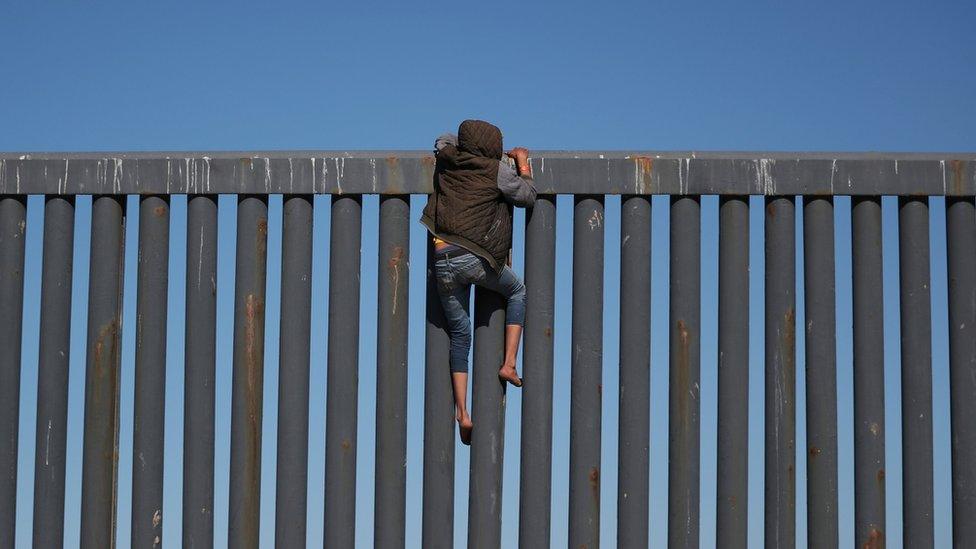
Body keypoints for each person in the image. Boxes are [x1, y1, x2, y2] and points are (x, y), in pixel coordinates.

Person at [420, 119, 537, 445]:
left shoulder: (448, 158)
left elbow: (442, 138)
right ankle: (510, 364)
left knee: (460, 333)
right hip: (476, 256)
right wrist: (521, 162)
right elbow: (527, 195)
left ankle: (462, 411)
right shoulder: (495, 171)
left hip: (442, 259)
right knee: (517, 290)